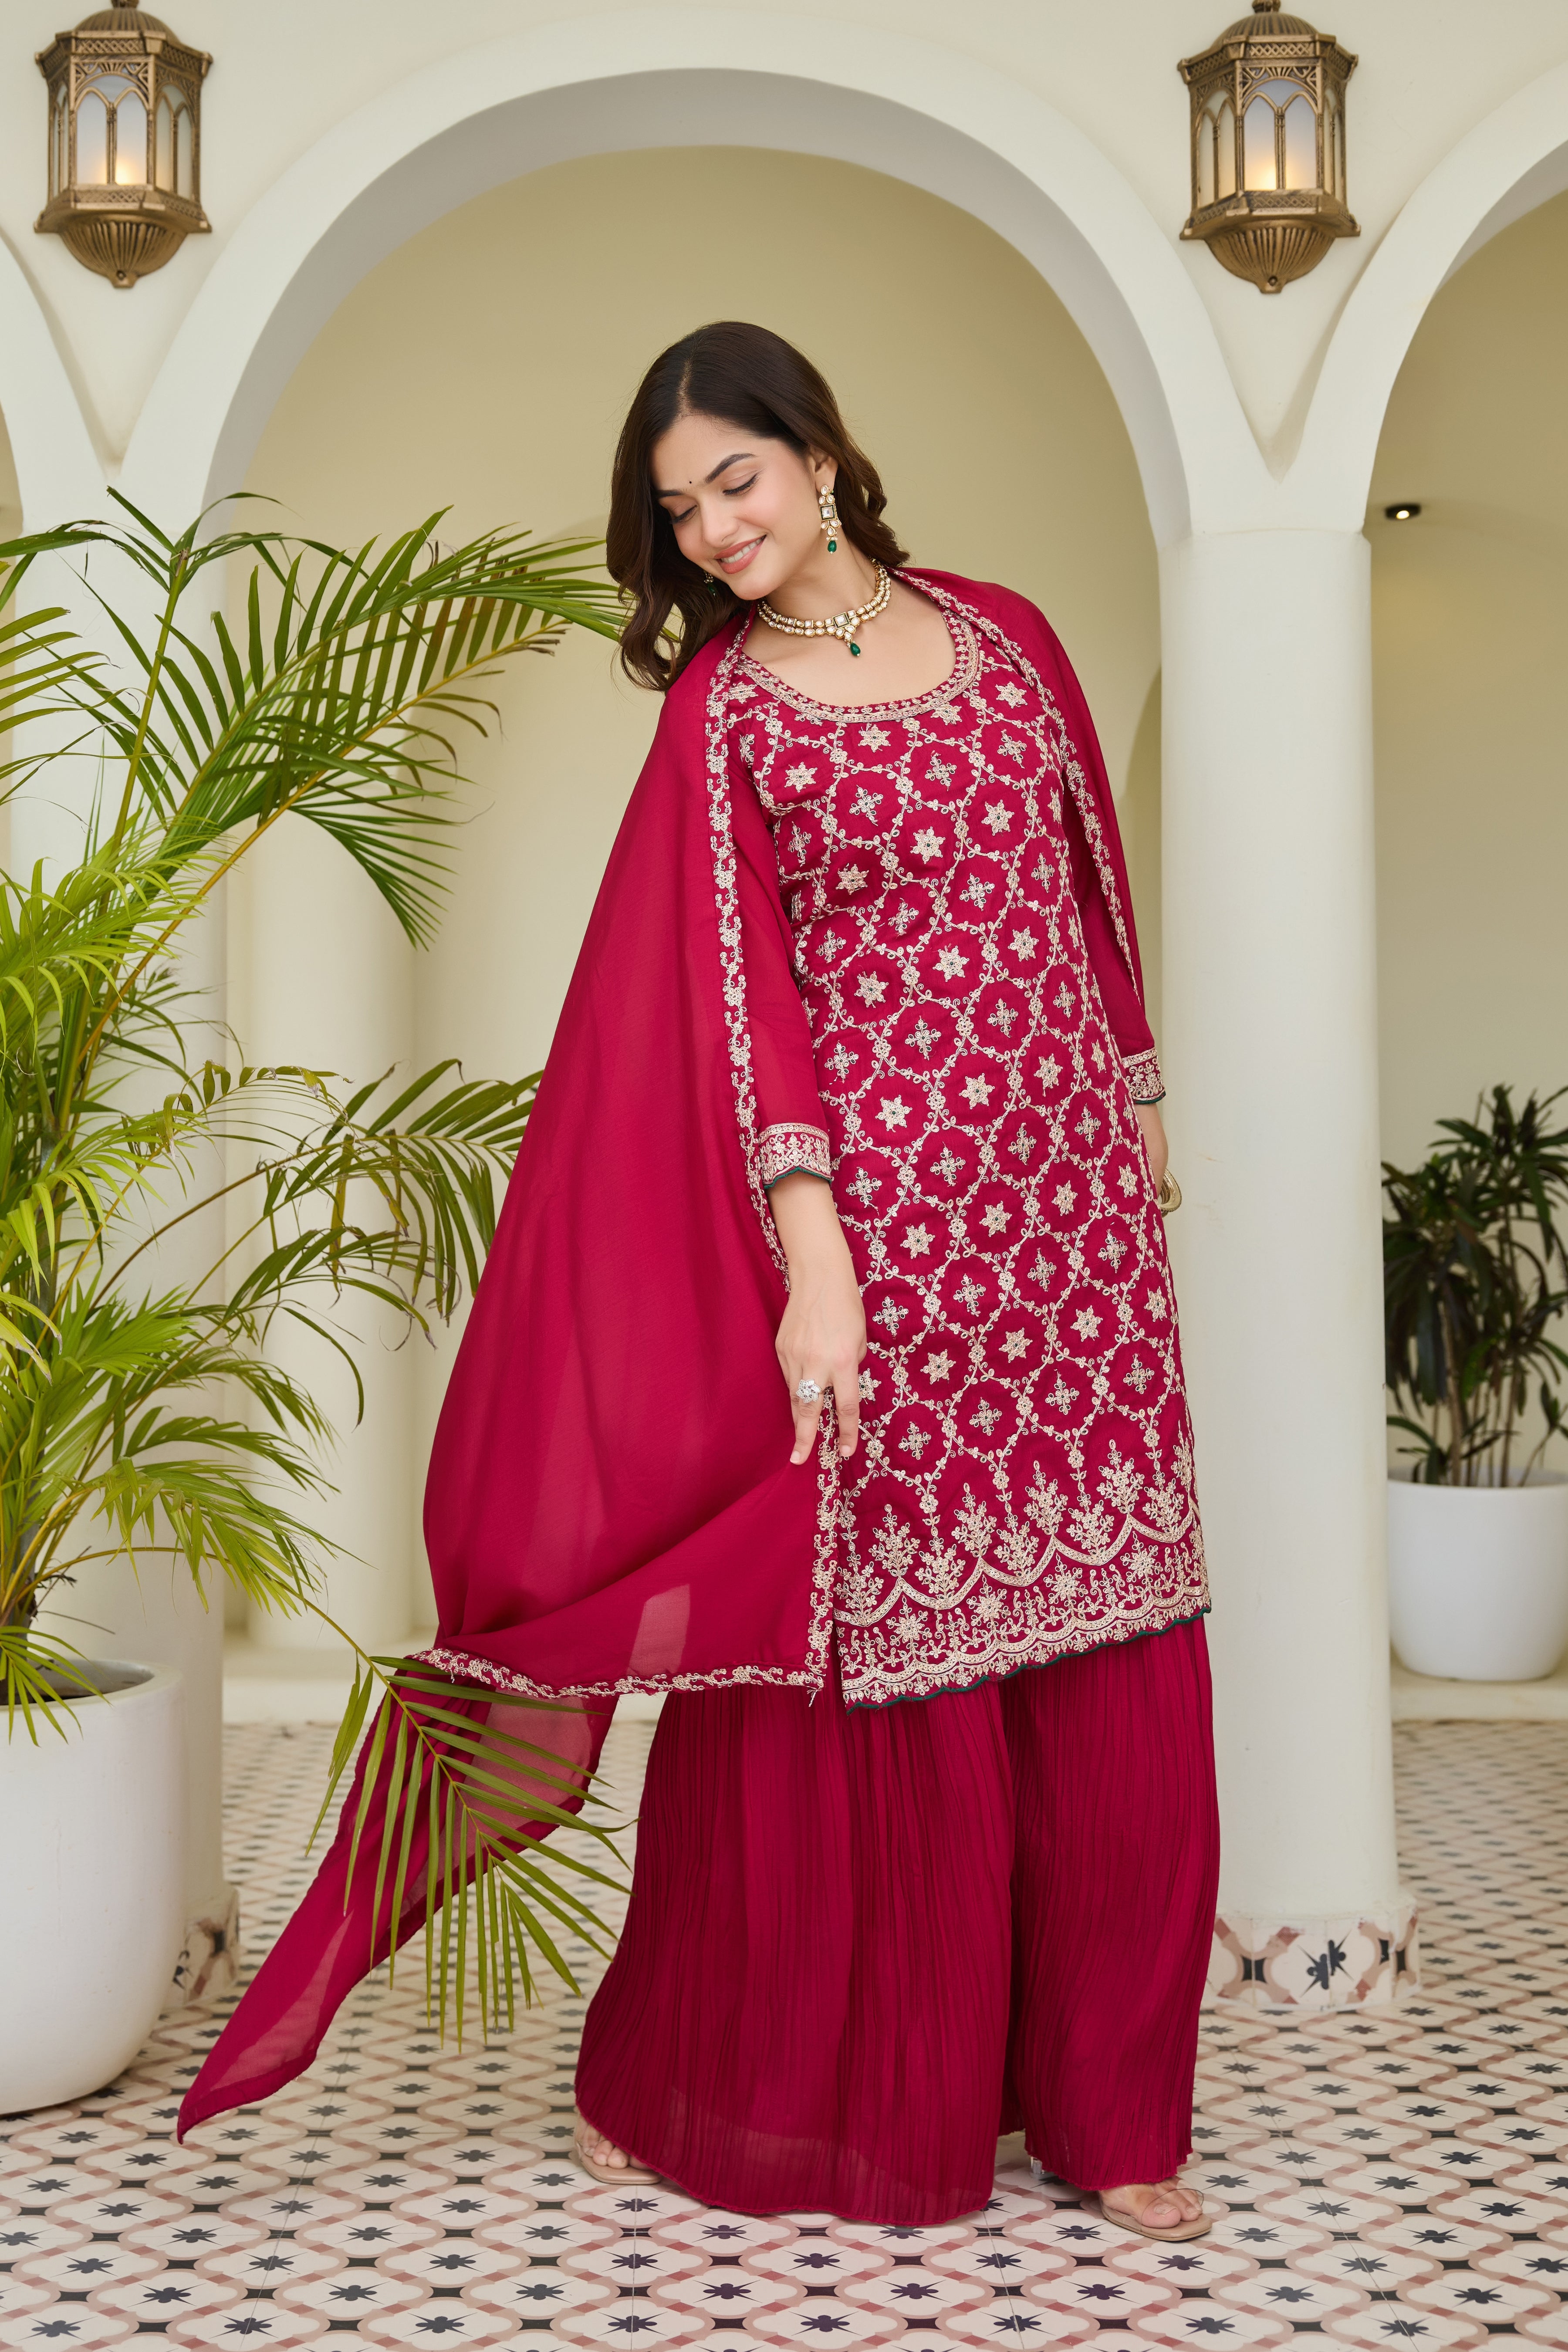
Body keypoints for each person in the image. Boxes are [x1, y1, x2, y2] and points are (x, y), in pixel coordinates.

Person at [178, 321, 1217, 2240]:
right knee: (864, 1667)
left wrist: (1140, 1098)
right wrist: (815, 1271)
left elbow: (1090, 883)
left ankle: (1110, 2103)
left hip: (1071, 1235)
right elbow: (746, 1019)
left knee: (1107, 1633)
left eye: (735, 479)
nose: (718, 529)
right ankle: (727, 2076)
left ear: (823, 451)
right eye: (679, 512)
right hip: (888, 1242)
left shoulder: (1010, 634)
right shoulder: (729, 714)